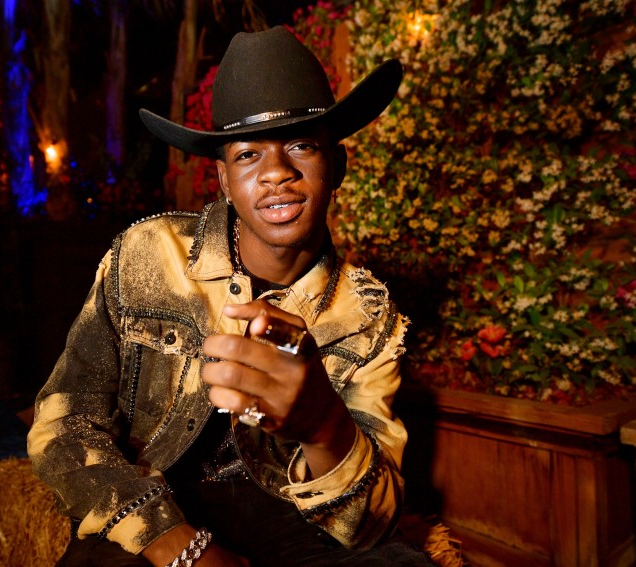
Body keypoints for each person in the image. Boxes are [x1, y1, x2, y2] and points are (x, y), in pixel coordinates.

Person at [28, 25, 434, 567]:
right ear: (222, 179)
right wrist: (183, 548)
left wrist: (324, 425)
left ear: (337, 166)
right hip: (152, 508)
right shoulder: (149, 254)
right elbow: (64, 422)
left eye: (301, 145)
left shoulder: (366, 315)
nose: (276, 174)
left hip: (292, 525)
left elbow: (371, 525)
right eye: (248, 155)